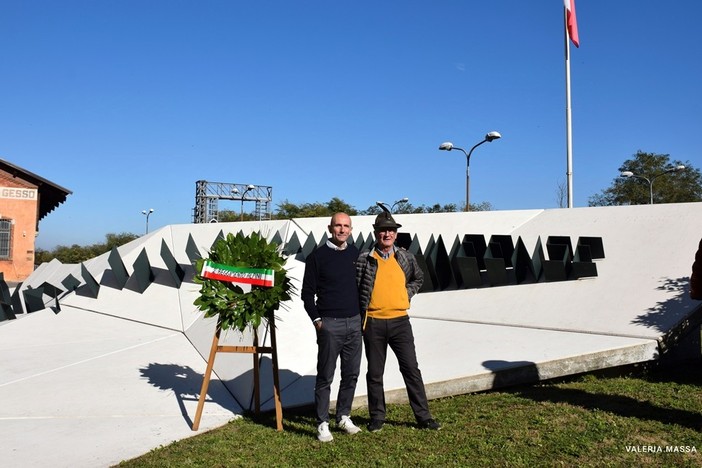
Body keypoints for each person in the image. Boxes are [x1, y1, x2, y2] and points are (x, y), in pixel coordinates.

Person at [356, 209, 441, 432]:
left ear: (395, 234)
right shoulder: (364, 259)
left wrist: (407, 293)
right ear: (376, 233)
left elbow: (418, 277)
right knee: (375, 373)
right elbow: (356, 287)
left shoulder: (404, 257)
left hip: (400, 322)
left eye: (391, 230)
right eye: (383, 230)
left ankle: (424, 417)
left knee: (411, 369)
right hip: (373, 322)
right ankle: (377, 417)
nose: (387, 234)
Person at [301, 212, 363, 442]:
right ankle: (322, 422)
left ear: (351, 229)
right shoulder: (317, 257)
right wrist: (318, 321)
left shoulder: (357, 254)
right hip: (330, 324)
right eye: (338, 225)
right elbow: (307, 294)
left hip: (355, 323)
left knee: (351, 374)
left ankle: (343, 416)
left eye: (346, 226)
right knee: (326, 375)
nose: (342, 230)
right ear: (330, 228)